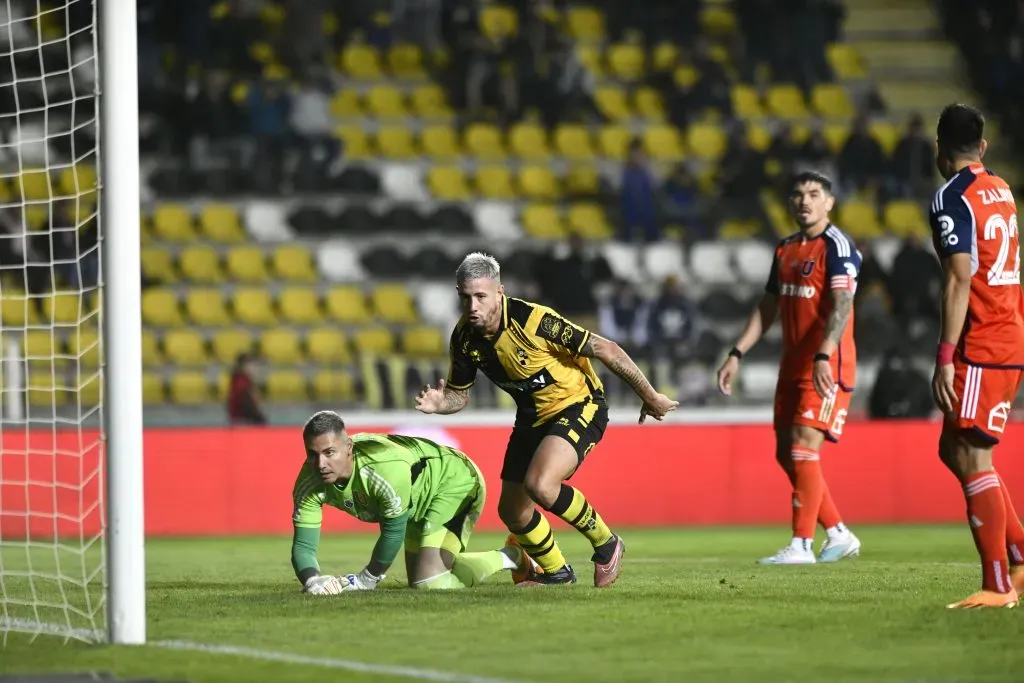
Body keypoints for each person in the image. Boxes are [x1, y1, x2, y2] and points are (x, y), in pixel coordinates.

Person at [414, 252, 678, 588]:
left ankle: (607, 543)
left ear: (500, 292)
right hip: (531, 418)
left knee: (541, 485)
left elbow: (606, 348)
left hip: (579, 405)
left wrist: (650, 395)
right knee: (513, 511)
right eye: (465, 298)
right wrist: (441, 403)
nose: (473, 306)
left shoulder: (535, 321)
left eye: (480, 296)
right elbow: (459, 395)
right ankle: (557, 573)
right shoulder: (464, 339)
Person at [717, 171, 862, 565]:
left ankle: (801, 545)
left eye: (814, 194)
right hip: (792, 364)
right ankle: (837, 532)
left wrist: (823, 353)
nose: (805, 201)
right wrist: (737, 353)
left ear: (829, 202)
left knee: (803, 448)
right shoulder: (785, 249)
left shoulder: (838, 246)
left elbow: (843, 304)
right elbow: (768, 307)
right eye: (798, 194)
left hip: (826, 363)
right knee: (787, 453)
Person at [927, 103, 1024, 609]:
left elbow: (959, 277)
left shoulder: (951, 197)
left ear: (939, 147)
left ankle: (997, 585)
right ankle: (1021, 557)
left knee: (972, 455)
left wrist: (945, 355)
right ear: (982, 147)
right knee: (955, 449)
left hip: (982, 341)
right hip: (1009, 331)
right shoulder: (1003, 189)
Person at [291, 410, 538, 594]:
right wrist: (313, 581)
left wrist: (368, 578)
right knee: (420, 578)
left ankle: (512, 555)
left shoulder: (383, 470)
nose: (320, 464)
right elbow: (303, 545)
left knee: (430, 583)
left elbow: (393, 532)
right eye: (312, 454)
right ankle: (486, 558)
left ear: (348, 448)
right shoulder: (308, 481)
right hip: (415, 501)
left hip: (454, 482)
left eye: (329, 453)